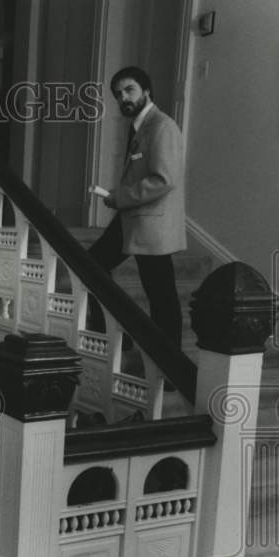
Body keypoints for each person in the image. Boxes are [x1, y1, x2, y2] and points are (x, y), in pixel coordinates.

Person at [88, 65, 186, 353]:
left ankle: (170, 370)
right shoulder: (141, 126)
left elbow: (164, 179)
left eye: (129, 90)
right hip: (133, 219)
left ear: (146, 91)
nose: (124, 98)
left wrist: (121, 197)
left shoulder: (161, 126)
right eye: (119, 94)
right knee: (91, 266)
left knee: (162, 297)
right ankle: (119, 335)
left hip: (150, 225)